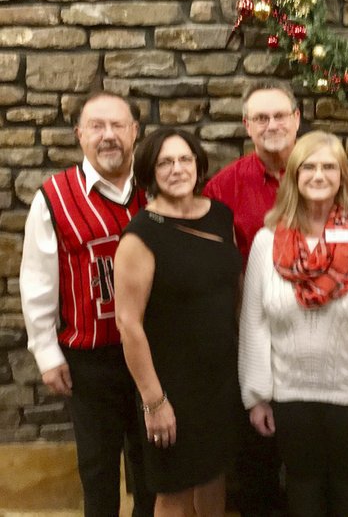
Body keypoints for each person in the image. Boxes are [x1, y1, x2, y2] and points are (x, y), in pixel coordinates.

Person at [203, 80, 348, 515]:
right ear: (247, 125)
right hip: (274, 362)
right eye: (260, 117)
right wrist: (256, 389)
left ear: (297, 119)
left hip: (347, 383)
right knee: (267, 477)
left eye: (280, 115)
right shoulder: (226, 190)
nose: (271, 124)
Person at [239, 131, 348, 517]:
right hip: (289, 395)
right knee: (302, 488)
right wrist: (256, 394)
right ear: (294, 176)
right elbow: (254, 323)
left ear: (343, 177)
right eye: (309, 167)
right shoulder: (267, 242)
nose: (318, 175)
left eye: (329, 167)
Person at [19, 92, 155, 516]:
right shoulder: (53, 198)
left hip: (155, 354)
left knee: (153, 465)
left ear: (135, 132)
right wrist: (45, 352)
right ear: (80, 135)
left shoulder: (159, 187)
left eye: (118, 126)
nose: (108, 136)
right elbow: (38, 281)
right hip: (90, 359)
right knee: (97, 471)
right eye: (97, 126)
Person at [115, 129, 242, 516]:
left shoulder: (220, 216)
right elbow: (129, 324)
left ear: (197, 164)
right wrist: (154, 402)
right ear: (150, 173)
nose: (177, 169)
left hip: (219, 380)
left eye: (184, 159)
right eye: (165, 162)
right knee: (174, 489)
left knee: (213, 475)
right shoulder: (141, 235)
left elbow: (232, 290)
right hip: (171, 384)